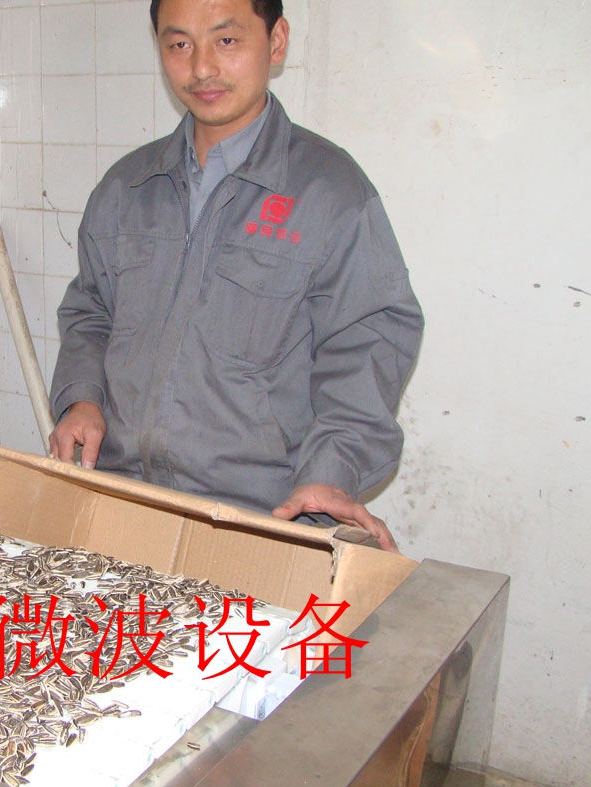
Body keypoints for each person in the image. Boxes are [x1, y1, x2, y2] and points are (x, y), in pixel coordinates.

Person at [48, 0, 423, 552]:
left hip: (263, 521)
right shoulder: (127, 187)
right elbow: (91, 312)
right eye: (179, 44)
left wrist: (331, 471)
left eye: (226, 40)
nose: (201, 67)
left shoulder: (330, 193)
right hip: (125, 505)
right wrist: (83, 398)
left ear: (276, 41)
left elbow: (367, 342)